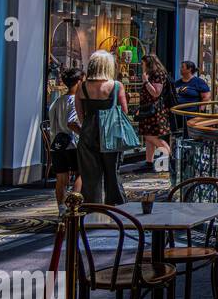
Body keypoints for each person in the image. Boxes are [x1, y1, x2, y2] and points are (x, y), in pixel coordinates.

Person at [71, 50, 128, 205]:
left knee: (90, 176)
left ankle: (92, 210)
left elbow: (80, 114)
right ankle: (117, 209)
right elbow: (124, 112)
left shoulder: (82, 87)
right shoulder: (116, 86)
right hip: (111, 133)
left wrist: (90, 125)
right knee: (113, 174)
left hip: (89, 132)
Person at [48, 67, 82, 208]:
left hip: (57, 144)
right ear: (79, 82)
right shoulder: (75, 101)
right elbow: (72, 122)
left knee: (61, 178)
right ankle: (73, 208)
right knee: (81, 174)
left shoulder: (58, 101)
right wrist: (84, 134)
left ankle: (61, 209)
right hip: (72, 144)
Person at [137, 54, 173, 169]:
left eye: (143, 63)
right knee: (148, 136)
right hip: (148, 110)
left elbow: (156, 93)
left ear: (148, 63)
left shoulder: (158, 74)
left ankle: (170, 158)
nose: (141, 66)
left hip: (155, 111)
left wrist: (146, 81)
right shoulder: (152, 74)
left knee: (151, 137)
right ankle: (149, 162)